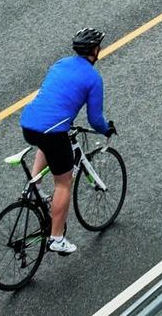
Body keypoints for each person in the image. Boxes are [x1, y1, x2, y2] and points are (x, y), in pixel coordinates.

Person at [19, 27, 112, 255]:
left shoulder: (60, 63)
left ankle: (35, 188)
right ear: (95, 50)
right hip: (52, 131)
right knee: (63, 183)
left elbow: (55, 95)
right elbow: (95, 118)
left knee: (47, 145)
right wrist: (106, 130)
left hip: (29, 124)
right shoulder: (93, 78)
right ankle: (56, 238)